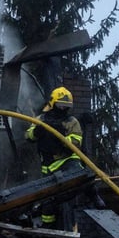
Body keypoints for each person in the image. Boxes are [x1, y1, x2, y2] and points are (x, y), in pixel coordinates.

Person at [25, 86, 83, 226]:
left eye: (66, 106)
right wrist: (37, 131)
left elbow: (77, 141)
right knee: (47, 198)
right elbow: (28, 136)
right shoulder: (41, 119)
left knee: (80, 178)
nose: (63, 109)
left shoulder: (72, 121)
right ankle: (48, 226)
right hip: (48, 164)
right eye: (60, 105)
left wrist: (61, 139)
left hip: (67, 159)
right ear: (52, 103)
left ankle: (94, 195)